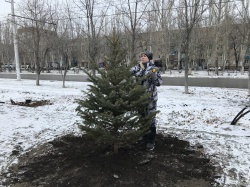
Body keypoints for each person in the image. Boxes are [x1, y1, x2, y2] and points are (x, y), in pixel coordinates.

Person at [130, 51, 162, 150]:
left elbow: (159, 83)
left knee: (151, 119)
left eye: (145, 56)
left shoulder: (153, 68)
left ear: (149, 58)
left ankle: (151, 141)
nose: (142, 57)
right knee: (142, 118)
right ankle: (143, 137)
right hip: (139, 98)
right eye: (142, 56)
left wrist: (154, 76)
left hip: (150, 98)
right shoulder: (136, 68)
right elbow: (127, 74)